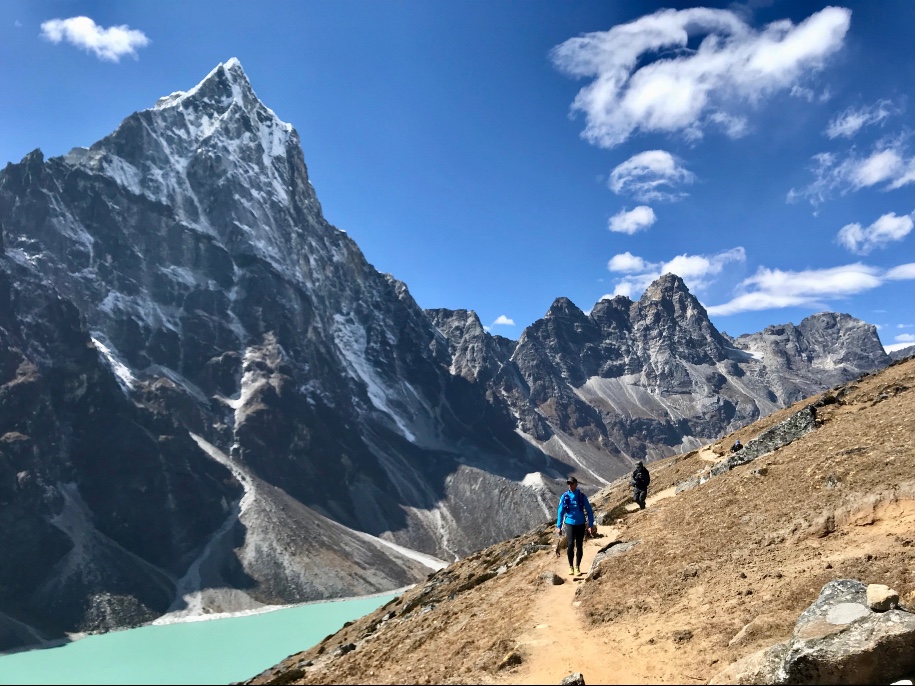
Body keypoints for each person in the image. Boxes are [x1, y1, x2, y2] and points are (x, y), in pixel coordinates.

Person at [556, 476, 595, 576]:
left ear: (576, 484)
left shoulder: (582, 496)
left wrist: (590, 524)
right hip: (569, 523)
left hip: (581, 524)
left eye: (571, 483)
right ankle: (571, 567)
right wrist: (558, 526)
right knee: (570, 545)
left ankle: (577, 566)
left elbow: (589, 511)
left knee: (579, 546)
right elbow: (561, 511)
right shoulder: (564, 496)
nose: (570, 485)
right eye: (568, 483)